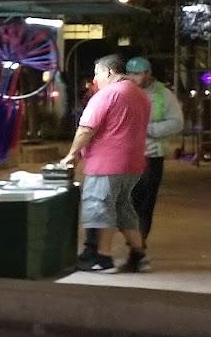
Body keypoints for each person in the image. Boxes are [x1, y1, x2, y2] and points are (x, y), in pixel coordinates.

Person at [58, 53, 150, 272]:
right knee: (123, 208)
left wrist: (71, 154)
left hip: (106, 163)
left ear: (109, 72)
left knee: (100, 207)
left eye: (97, 73)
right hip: (133, 163)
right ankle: (139, 255)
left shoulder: (107, 94)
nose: (95, 79)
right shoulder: (140, 95)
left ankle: (103, 258)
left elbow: (86, 128)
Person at [124, 56, 185, 244]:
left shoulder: (163, 95)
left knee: (146, 202)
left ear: (148, 74)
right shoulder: (125, 92)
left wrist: (150, 130)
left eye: (137, 74)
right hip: (127, 156)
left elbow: (177, 122)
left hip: (152, 156)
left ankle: (139, 241)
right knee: (129, 200)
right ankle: (134, 239)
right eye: (130, 74)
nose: (133, 78)